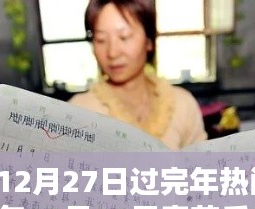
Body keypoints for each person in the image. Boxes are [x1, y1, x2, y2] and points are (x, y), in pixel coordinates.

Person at [69, 0, 207, 150]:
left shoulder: (182, 105)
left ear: (149, 41)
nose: (112, 52)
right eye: (101, 40)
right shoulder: (79, 113)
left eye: (124, 37)